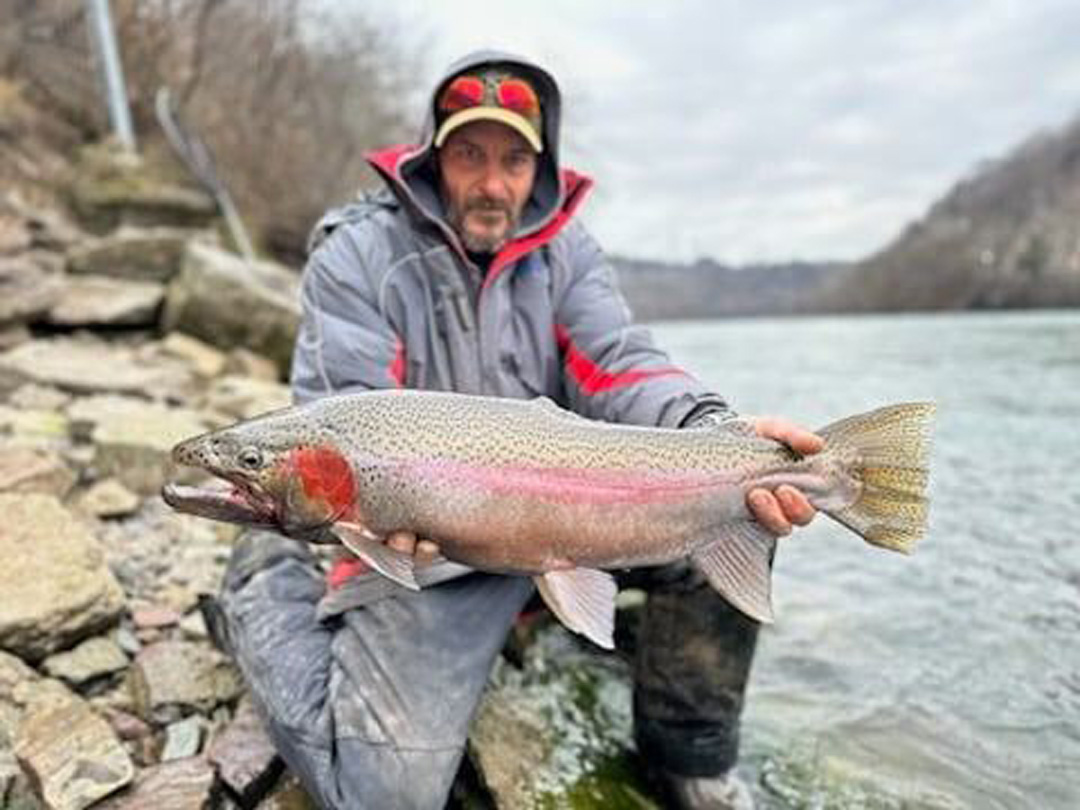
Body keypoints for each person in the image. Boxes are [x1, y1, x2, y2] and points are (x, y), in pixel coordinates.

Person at [216, 49, 821, 810]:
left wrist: (711, 426)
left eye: (513, 159)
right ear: (435, 158)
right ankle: (260, 586)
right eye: (469, 155)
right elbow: (347, 411)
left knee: (738, 506)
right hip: (431, 555)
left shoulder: (568, 256)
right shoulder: (360, 255)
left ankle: (689, 760)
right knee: (383, 796)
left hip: (559, 527)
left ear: (542, 166)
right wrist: (372, 512)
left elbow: (619, 365)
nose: (492, 182)